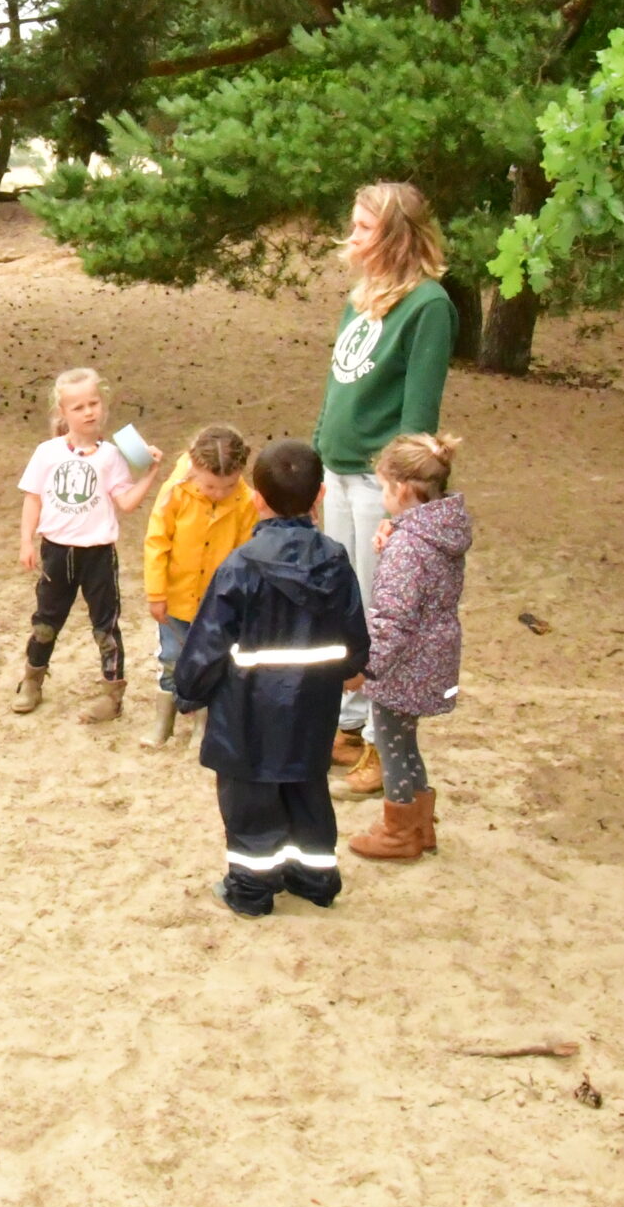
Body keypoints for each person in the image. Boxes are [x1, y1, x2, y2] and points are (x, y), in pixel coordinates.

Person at [174, 439, 369, 917]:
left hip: (247, 710)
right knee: (307, 789)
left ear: (256, 498)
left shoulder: (239, 567)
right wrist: (351, 668)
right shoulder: (337, 559)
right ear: (321, 495)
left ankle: (251, 890)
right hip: (313, 706)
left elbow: (209, 641)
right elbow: (353, 630)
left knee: (249, 802)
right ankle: (314, 879)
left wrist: (188, 690)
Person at [314, 181, 456, 794]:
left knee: (382, 615)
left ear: (396, 234)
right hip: (338, 471)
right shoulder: (361, 296)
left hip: (381, 483)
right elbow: (336, 388)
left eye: (364, 227)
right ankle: (345, 727)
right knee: (344, 604)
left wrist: (402, 504)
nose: (352, 236)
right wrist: (320, 455)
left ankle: (380, 742)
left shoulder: (428, 306)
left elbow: (419, 415)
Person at [347, 433, 470, 862]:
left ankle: (399, 831)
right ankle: (420, 825)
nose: (383, 497)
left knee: (392, 745)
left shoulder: (410, 547)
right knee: (406, 740)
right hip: (433, 656)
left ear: (401, 489)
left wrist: (368, 668)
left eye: (383, 487)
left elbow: (393, 619)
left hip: (405, 663)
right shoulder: (438, 533)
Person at [12, 368, 159, 721]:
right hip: (56, 551)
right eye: (78, 407)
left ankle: (113, 693)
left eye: (94, 403)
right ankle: (32, 679)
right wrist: (25, 542)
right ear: (63, 413)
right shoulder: (47, 453)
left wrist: (150, 474)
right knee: (46, 621)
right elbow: (32, 498)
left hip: (98, 555)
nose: (88, 412)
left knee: (105, 625)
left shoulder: (111, 456)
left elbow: (125, 503)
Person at [141, 425, 259, 747]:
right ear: (194, 468)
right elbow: (157, 541)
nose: (219, 494)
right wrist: (157, 592)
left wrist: (236, 601)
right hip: (176, 599)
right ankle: (163, 723)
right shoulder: (175, 491)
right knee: (170, 656)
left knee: (214, 661)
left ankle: (203, 725)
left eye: (228, 486)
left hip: (217, 604)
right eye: (210, 486)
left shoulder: (246, 501)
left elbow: (245, 555)